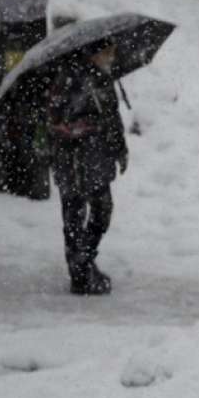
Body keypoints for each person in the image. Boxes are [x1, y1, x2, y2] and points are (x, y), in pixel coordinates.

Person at [48, 40, 128, 295]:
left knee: (101, 210)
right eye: (107, 52)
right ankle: (80, 273)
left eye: (112, 52)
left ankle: (84, 261)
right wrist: (85, 126)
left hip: (96, 159)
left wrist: (119, 149)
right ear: (94, 54)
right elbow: (57, 121)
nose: (111, 57)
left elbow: (113, 117)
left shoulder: (104, 80)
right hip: (74, 160)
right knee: (74, 213)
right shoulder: (69, 79)